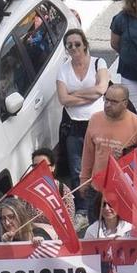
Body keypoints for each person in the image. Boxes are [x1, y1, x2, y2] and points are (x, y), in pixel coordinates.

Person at [53, 27, 111, 184]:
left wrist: (75, 94)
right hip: (73, 125)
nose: (74, 48)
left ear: (85, 45)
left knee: (100, 163)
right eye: (69, 45)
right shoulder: (63, 70)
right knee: (77, 167)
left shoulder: (98, 63)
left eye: (77, 44)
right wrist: (90, 97)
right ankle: (81, 206)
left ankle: (100, 200)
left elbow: (101, 88)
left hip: (97, 121)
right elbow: (63, 99)